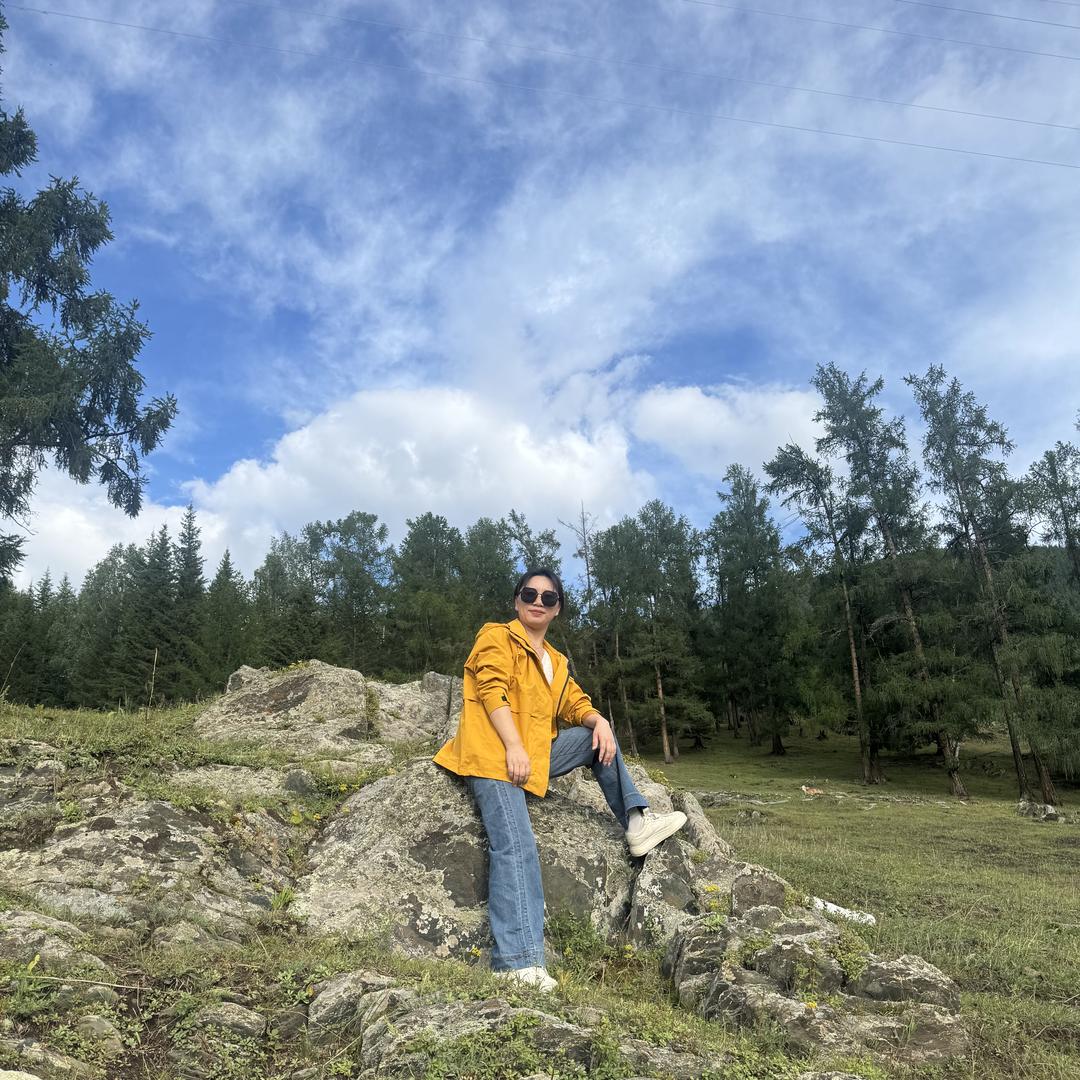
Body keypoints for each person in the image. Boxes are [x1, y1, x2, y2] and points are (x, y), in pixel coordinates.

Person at [433, 567, 687, 992]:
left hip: (532, 755)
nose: (538, 601)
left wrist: (598, 720)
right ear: (516, 601)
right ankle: (517, 964)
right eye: (529, 594)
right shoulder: (496, 637)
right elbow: (491, 690)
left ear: (557, 610)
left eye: (548, 597)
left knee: (594, 736)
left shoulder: (555, 660)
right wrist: (513, 745)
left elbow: (574, 704)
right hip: (493, 756)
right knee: (516, 845)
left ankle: (636, 822)